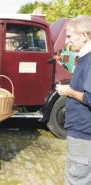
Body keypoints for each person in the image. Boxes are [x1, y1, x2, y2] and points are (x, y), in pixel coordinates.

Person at [55, 15, 91, 185]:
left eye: (69, 36)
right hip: (81, 131)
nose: (66, 42)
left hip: (83, 132)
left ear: (84, 36)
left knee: (77, 178)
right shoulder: (84, 58)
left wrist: (69, 91)